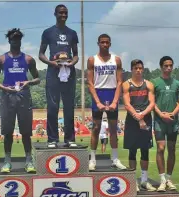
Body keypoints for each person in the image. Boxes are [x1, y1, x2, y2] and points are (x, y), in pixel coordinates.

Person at [0, 28, 40, 173]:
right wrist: (5, 88)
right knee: (8, 131)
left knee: (26, 132)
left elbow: (37, 78)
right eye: (14, 38)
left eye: (18, 38)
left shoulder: (28, 59)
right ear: (9, 40)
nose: (16, 41)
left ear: (21, 40)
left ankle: (28, 161)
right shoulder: (1, 59)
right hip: (7, 96)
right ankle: (7, 162)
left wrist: (29, 83)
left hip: (23, 95)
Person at [39, 4, 79, 148]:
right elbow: (41, 54)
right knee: (52, 106)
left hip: (68, 72)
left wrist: (71, 63)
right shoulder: (48, 32)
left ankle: (70, 139)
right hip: (53, 71)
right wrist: (51, 62)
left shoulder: (72, 33)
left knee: (69, 106)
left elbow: (76, 55)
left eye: (66, 13)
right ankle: (52, 139)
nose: (63, 15)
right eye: (61, 13)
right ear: (55, 14)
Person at [87, 33, 126, 170]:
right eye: (102, 42)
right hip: (98, 92)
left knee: (113, 129)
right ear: (98, 43)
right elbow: (90, 82)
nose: (104, 44)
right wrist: (97, 101)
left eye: (107, 42)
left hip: (112, 92)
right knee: (96, 128)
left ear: (110, 44)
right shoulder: (92, 60)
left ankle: (115, 159)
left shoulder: (116, 60)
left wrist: (116, 101)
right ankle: (92, 160)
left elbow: (120, 81)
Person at [151, 56, 179, 191]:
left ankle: (169, 178)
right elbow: (152, 102)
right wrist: (161, 114)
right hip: (159, 121)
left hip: (172, 121)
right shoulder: (155, 83)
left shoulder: (177, 84)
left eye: (170, 65)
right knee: (160, 148)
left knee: (171, 149)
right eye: (166, 66)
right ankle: (162, 180)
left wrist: (172, 114)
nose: (168, 68)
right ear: (161, 67)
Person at [123, 59, 156, 192]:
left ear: (143, 69)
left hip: (146, 118)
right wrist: (137, 116)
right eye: (136, 68)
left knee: (145, 150)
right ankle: (132, 181)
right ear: (131, 69)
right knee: (132, 150)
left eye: (140, 68)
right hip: (132, 120)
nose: (138, 70)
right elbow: (126, 104)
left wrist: (142, 114)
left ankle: (144, 180)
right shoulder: (126, 85)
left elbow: (152, 103)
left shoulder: (148, 85)